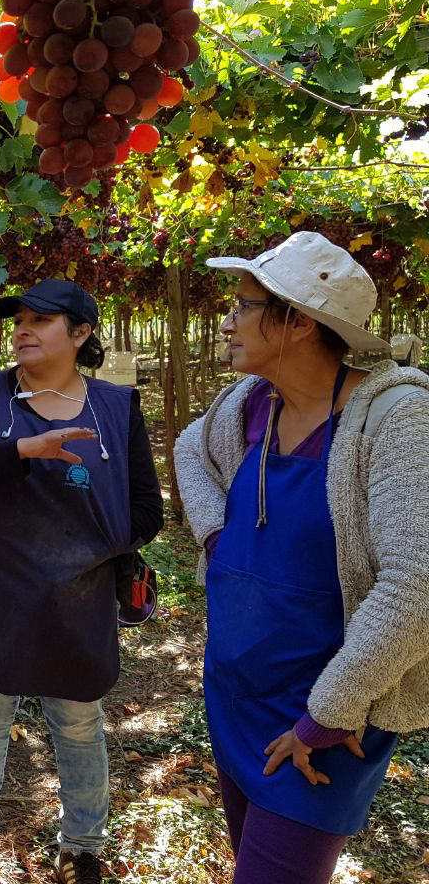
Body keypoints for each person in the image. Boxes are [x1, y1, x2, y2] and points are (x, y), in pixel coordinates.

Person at [174, 232, 429, 884]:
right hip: (236, 691)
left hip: (325, 720)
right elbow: (185, 447)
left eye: (243, 305)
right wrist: (215, 538)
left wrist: (326, 717)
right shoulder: (248, 407)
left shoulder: (395, 419)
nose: (226, 321)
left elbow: (416, 584)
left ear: (299, 322)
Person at [0, 280, 163, 884]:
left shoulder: (115, 408)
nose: (23, 329)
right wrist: (24, 449)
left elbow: (146, 510)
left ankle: (82, 846)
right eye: (19, 319)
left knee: (78, 723)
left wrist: (90, 553)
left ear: (80, 334)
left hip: (77, 596)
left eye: (41, 320)